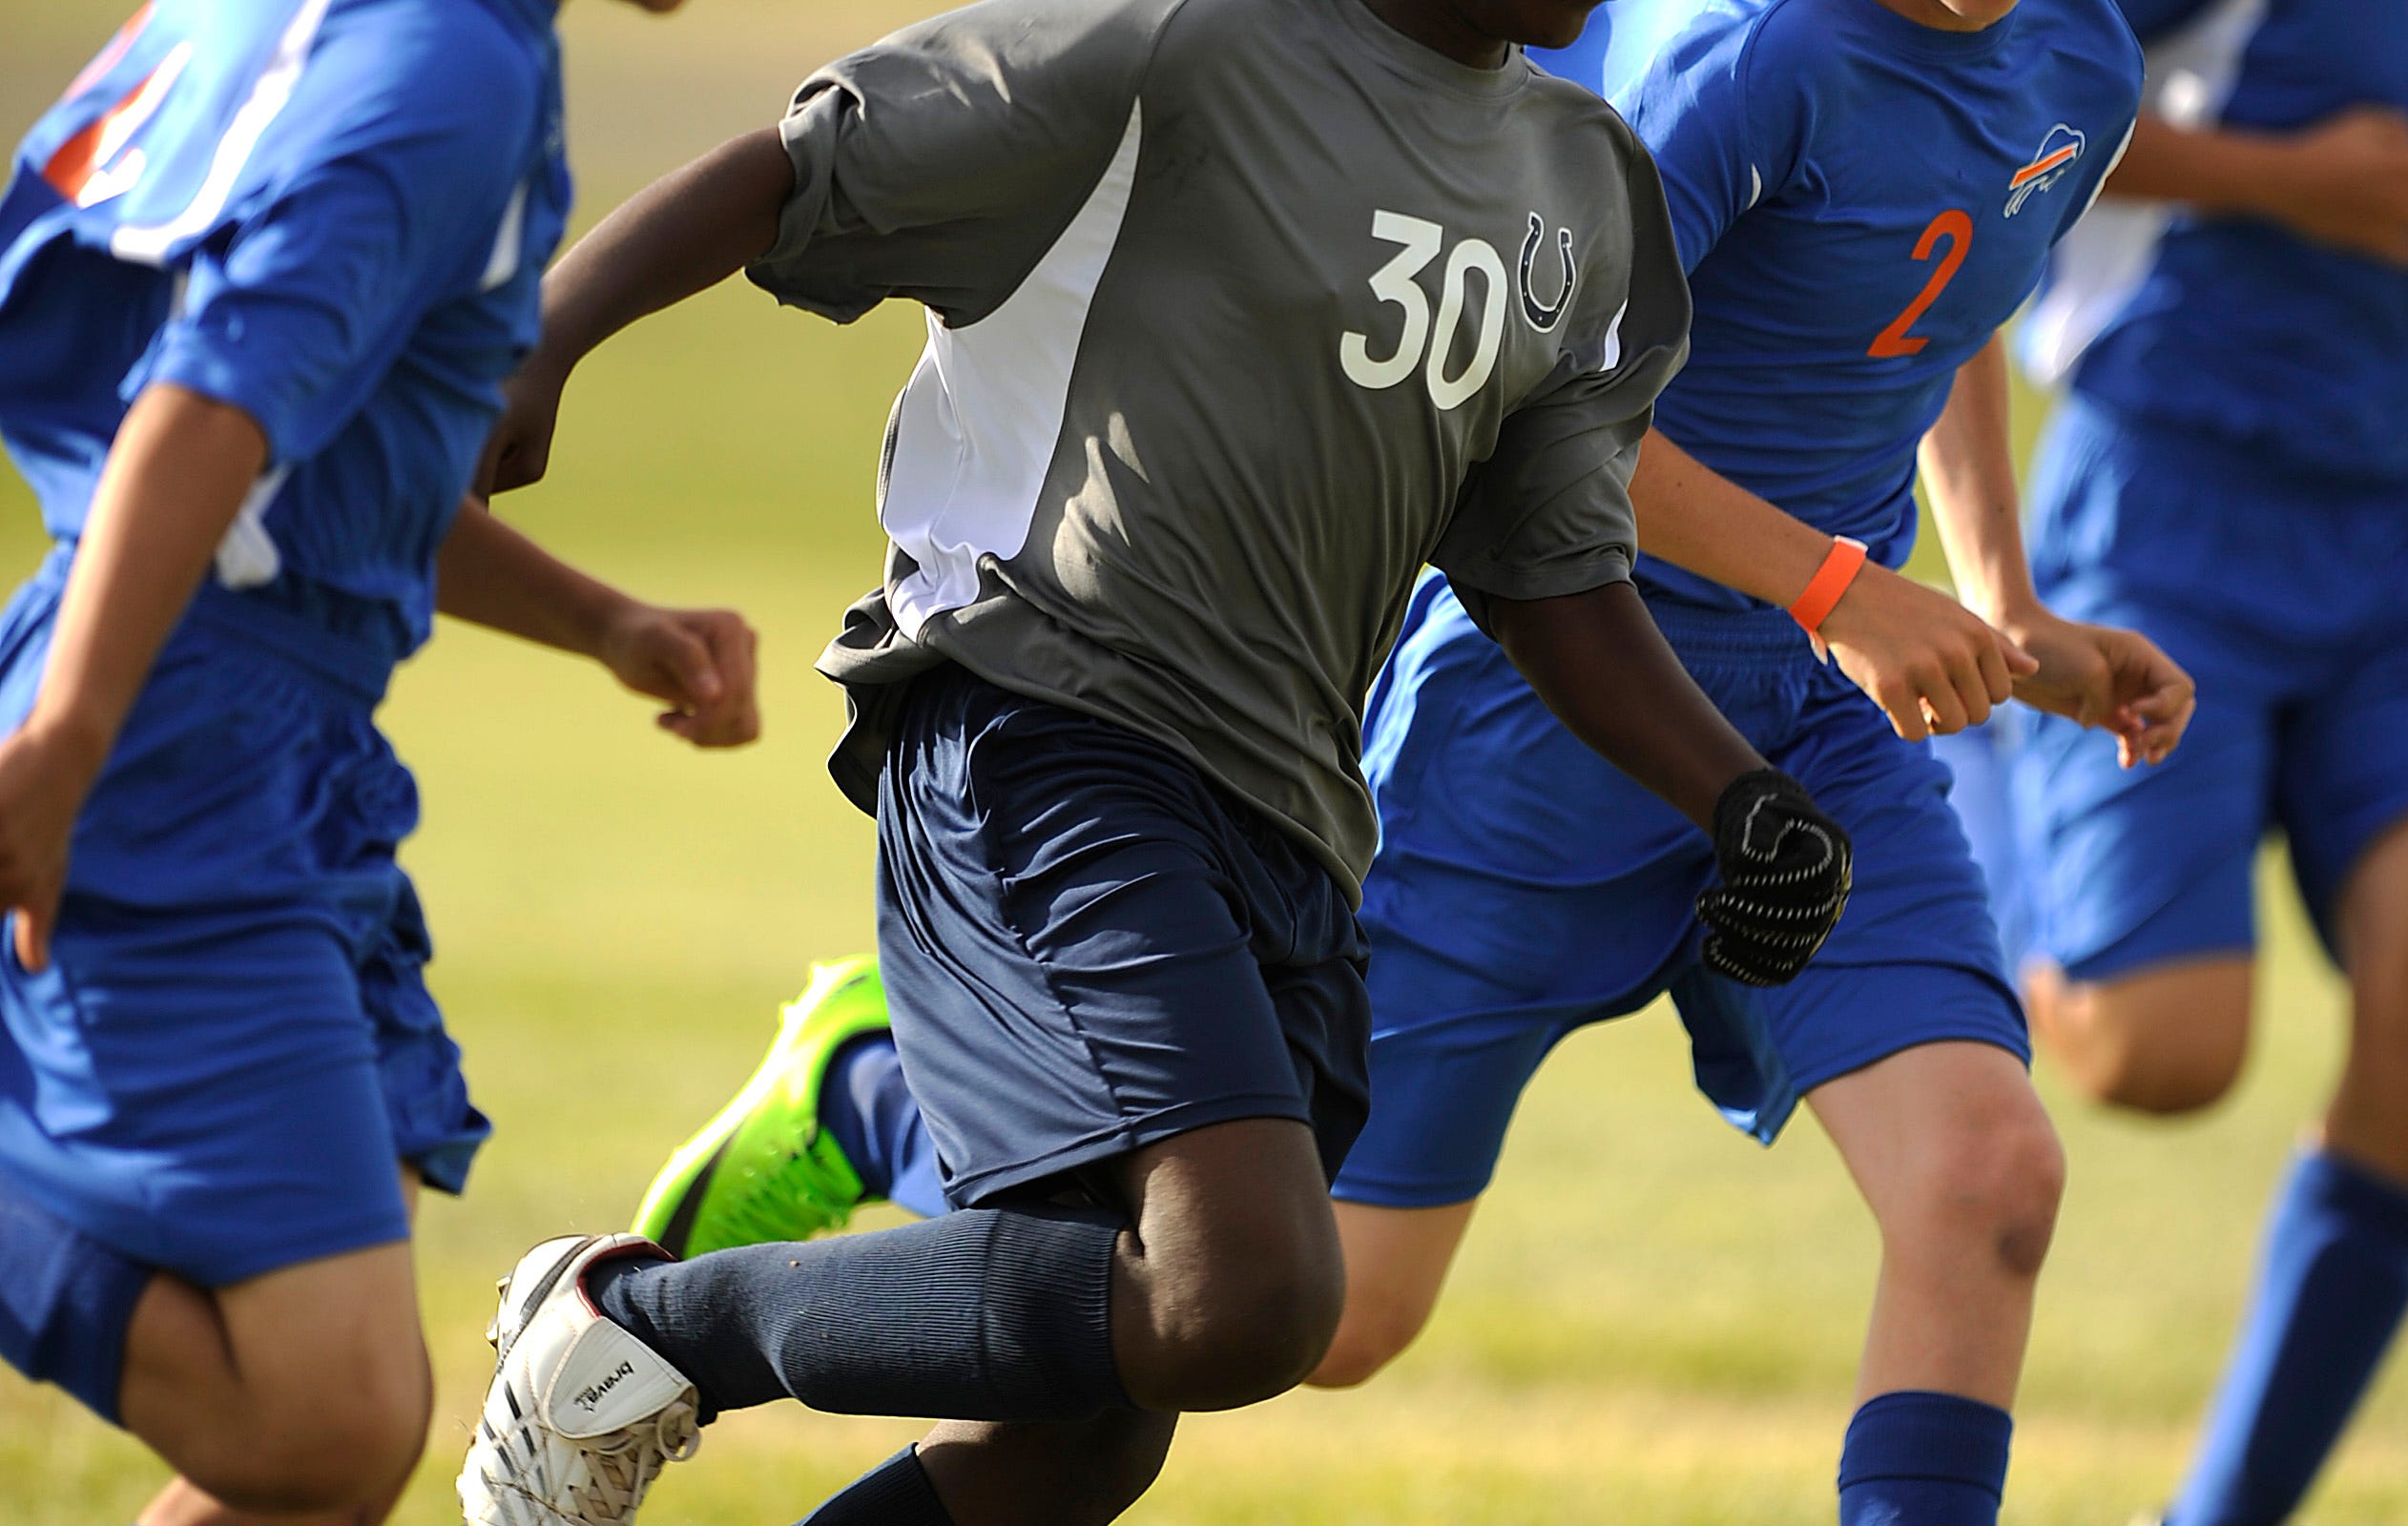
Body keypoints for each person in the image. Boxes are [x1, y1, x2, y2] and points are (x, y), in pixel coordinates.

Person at [618, 2, 2194, 1523]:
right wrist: (1841, 586)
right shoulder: (1753, 54)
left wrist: (2000, 599)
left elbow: (1950, 276)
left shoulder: (2084, 52)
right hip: (1544, 708)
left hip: (1813, 720)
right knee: (1319, 1309)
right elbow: (1561, 411)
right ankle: (870, 1097)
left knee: (1989, 1182)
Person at [1953, 0, 2408, 1520]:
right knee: (2158, 1054)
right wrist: (2280, 177)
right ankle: (1962, 771)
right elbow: (2000, 128)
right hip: (2177, 495)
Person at [0, 0, 739, 1522]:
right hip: (174, 740)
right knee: (326, 1420)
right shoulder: (447, 58)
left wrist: (601, 620)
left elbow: (306, 475)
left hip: (236, 718)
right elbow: (204, 405)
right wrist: (71, 742)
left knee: (309, 1474)